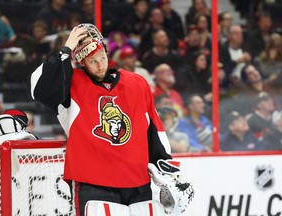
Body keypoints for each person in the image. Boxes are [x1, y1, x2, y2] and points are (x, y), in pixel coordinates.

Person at [30, 23, 193, 216]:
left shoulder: (137, 82)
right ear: (82, 62)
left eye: (102, 58)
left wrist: (165, 166)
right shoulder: (70, 85)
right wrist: (66, 50)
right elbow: (39, 89)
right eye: (93, 61)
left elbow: (153, 129)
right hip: (95, 185)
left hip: (138, 183)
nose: (100, 65)